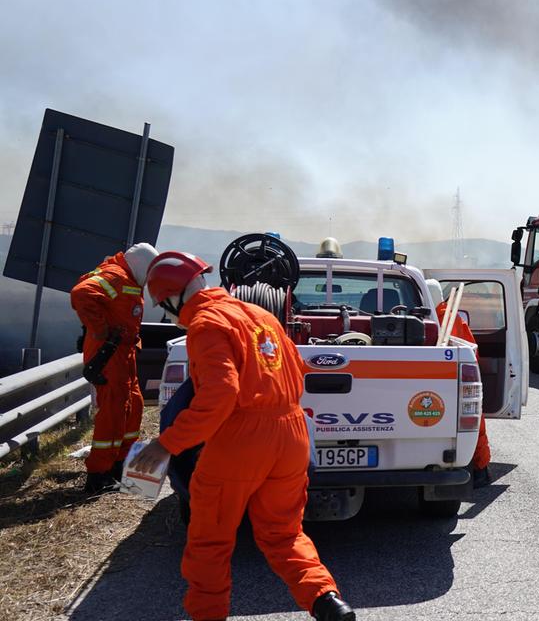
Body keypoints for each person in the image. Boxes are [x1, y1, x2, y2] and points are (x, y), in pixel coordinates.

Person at [129, 251, 354, 621]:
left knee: (210, 541)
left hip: (242, 439)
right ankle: (326, 600)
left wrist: (166, 443)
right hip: (292, 434)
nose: (169, 316)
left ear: (172, 297)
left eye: (165, 307)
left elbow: (220, 394)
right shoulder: (261, 315)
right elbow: (297, 369)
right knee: (283, 534)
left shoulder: (206, 324)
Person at [70, 243, 156, 494]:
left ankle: (121, 464)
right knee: (113, 412)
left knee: (134, 406)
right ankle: (98, 473)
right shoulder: (115, 276)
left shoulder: (128, 278)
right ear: (141, 265)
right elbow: (81, 293)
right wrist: (100, 330)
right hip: (109, 353)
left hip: (124, 352)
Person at [428, 280, 491, 487]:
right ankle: (480, 470)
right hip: (458, 378)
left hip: (433, 381)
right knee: (473, 424)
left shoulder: (427, 319)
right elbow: (473, 351)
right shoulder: (451, 317)